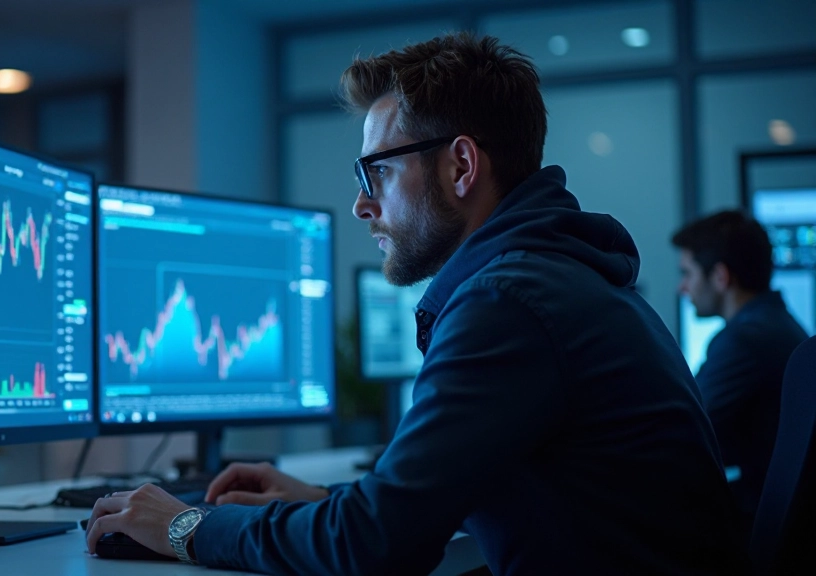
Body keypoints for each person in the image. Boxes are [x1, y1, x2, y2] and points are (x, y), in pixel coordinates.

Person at [84, 33, 749, 575]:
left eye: (377, 171)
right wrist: (334, 502)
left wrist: (186, 524)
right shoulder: (564, 277)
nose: (361, 203)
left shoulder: (508, 302)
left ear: (461, 166)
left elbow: (374, 547)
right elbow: (448, 505)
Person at [673, 210, 807, 529]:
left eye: (688, 273)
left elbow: (684, 429)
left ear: (720, 277)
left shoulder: (745, 340)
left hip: (759, 523)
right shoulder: (775, 324)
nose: (683, 287)